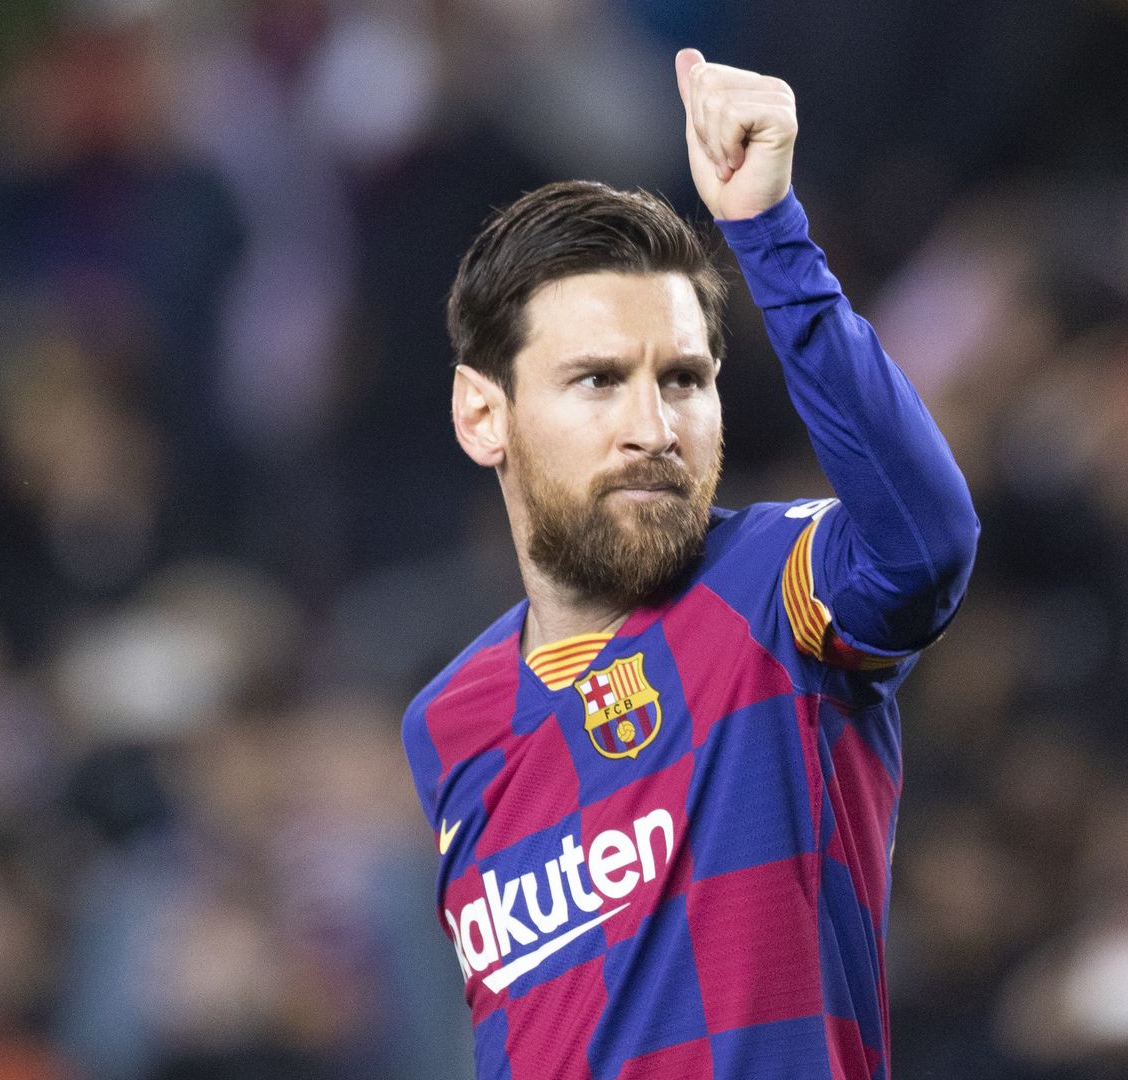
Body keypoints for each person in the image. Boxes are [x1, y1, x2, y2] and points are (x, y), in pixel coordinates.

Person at [400, 47, 977, 1079]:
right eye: (597, 381)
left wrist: (769, 235)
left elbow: (925, 543)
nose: (653, 426)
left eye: (684, 379)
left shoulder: (772, 591)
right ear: (483, 414)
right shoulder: (450, 725)